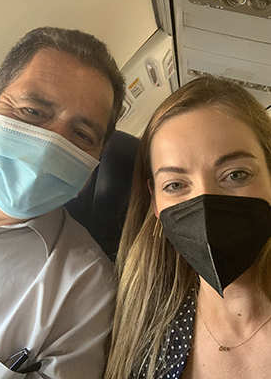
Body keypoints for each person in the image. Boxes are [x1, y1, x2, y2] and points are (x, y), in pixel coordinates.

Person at [0, 26, 125, 378]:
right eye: (33, 112)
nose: (50, 145)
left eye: (82, 135)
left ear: (93, 165)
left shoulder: (87, 287)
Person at [105, 76, 271, 379]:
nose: (205, 203)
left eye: (235, 175)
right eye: (176, 184)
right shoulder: (145, 337)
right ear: (155, 203)